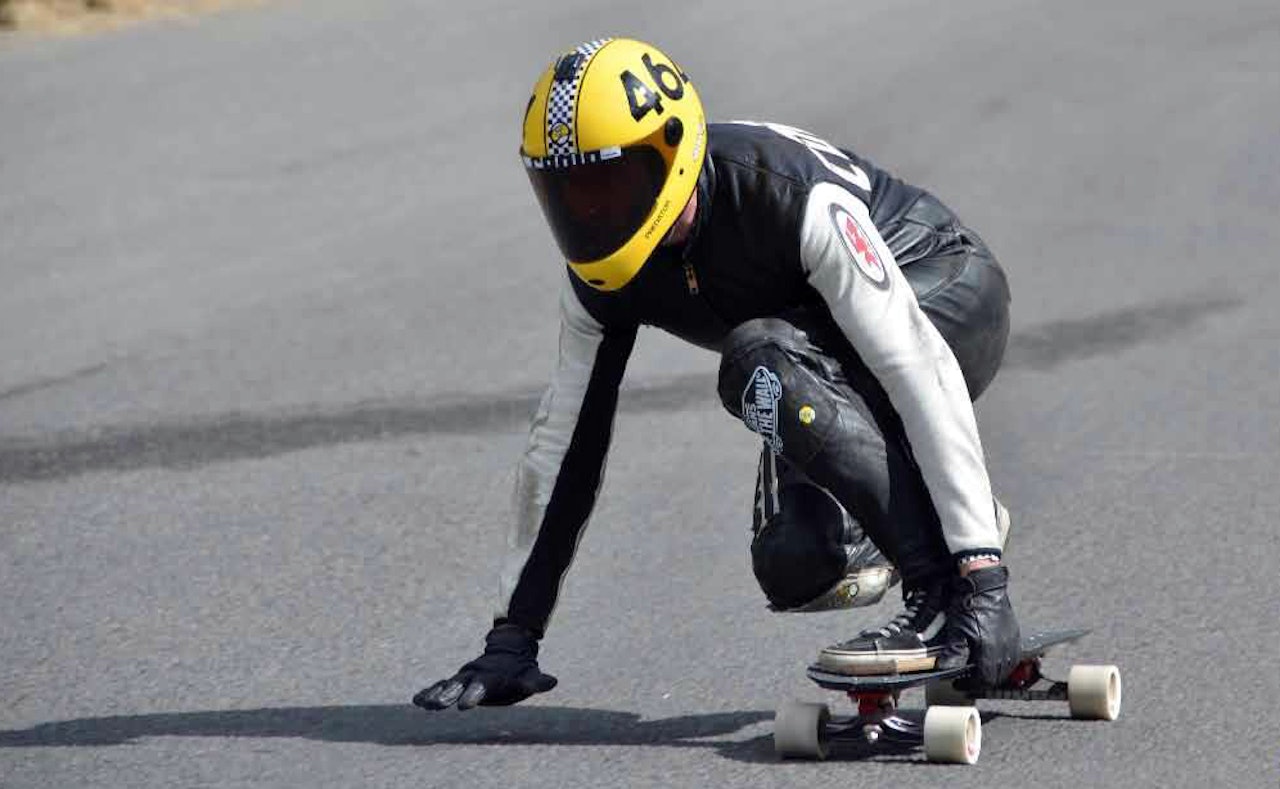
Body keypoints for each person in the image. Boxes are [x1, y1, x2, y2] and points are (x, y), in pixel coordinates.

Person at [414, 37, 1020, 712]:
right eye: (568, 193)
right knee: (798, 563)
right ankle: (929, 518)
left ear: (673, 150)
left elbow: (915, 363)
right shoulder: (598, 280)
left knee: (759, 359)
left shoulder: (788, 198)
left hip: (944, 292)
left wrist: (979, 576)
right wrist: (514, 634)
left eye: (611, 184)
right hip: (814, 354)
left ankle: (939, 590)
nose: (592, 216)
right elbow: (564, 446)